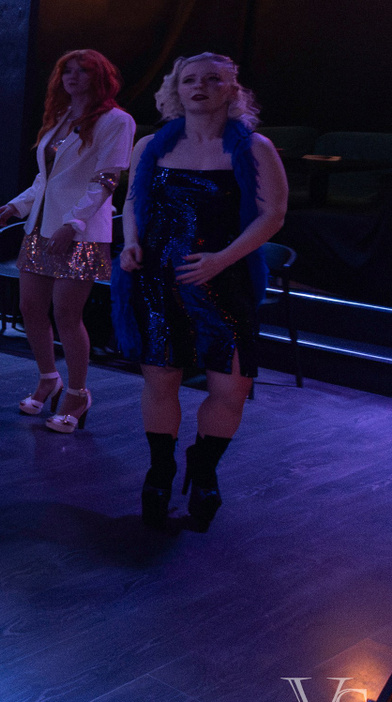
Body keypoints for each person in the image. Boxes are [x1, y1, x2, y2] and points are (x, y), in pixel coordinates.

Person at [114, 53, 286, 533]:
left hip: (225, 282)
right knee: (161, 379)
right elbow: (133, 201)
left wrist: (221, 259)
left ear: (232, 89)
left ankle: (204, 468)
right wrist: (129, 243)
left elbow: (272, 215)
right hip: (158, 279)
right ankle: (160, 470)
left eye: (212, 79)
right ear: (176, 89)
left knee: (231, 387)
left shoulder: (254, 147)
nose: (199, 86)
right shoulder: (151, 145)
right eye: (189, 79)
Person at [0, 50, 135, 434]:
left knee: (67, 314)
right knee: (30, 307)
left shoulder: (116, 121)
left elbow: (106, 180)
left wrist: (74, 223)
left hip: (80, 231)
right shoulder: (60, 117)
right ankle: (48, 378)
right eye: (66, 71)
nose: (72, 77)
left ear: (99, 77)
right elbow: (46, 179)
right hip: (40, 227)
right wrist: (17, 205)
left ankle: (77, 393)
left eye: (82, 71)